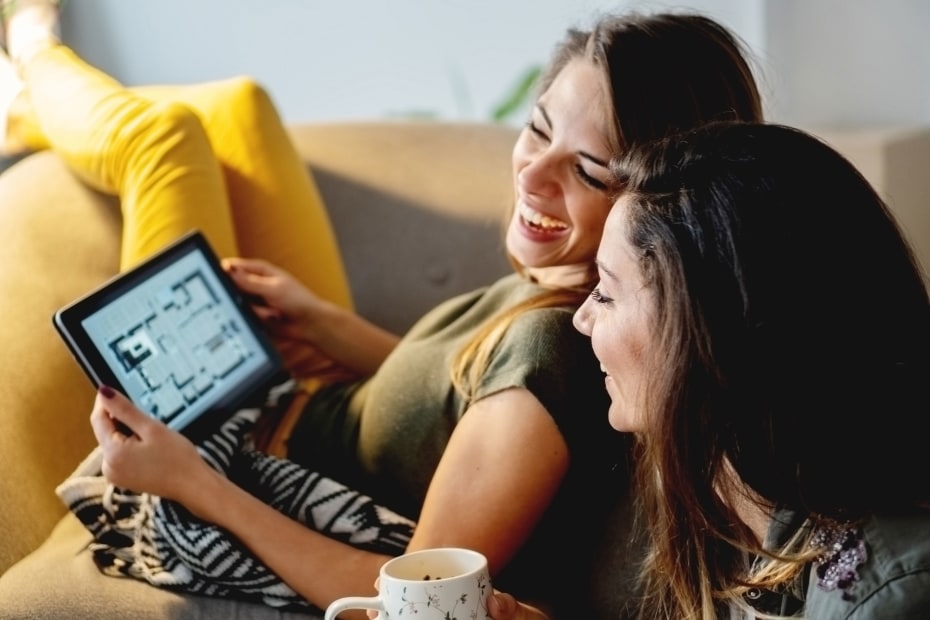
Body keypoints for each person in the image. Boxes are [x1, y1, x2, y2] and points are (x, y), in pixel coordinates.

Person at [0, 3, 765, 618]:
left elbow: (400, 598)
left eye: (587, 169)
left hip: (257, 449)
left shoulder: (557, 352)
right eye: (536, 129)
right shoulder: (558, 300)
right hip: (290, 383)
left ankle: (31, 54)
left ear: (659, 216)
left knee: (161, 143)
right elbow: (463, 387)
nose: (532, 173)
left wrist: (193, 482)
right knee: (238, 108)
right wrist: (331, 327)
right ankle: (33, 103)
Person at [487, 120, 930, 619]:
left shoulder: (891, 595)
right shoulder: (733, 498)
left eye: (607, 292)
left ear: (702, 336)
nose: (582, 318)